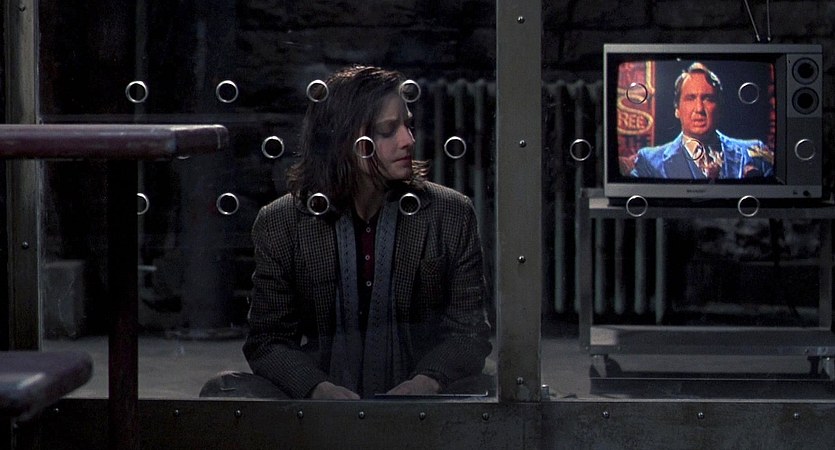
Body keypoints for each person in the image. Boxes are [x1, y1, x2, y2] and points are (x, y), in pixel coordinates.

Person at [200, 65, 493, 400]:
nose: (408, 141)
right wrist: (317, 389)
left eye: (408, 126)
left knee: (498, 389)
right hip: (320, 399)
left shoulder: (450, 212)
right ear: (343, 140)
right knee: (224, 390)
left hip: (420, 397)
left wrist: (424, 384)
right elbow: (268, 341)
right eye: (388, 130)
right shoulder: (282, 221)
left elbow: (469, 334)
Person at [630, 62, 774, 179]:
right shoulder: (649, 161)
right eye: (690, 98)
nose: (699, 108)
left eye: (708, 99)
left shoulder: (752, 153)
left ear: (719, 107)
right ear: (677, 109)